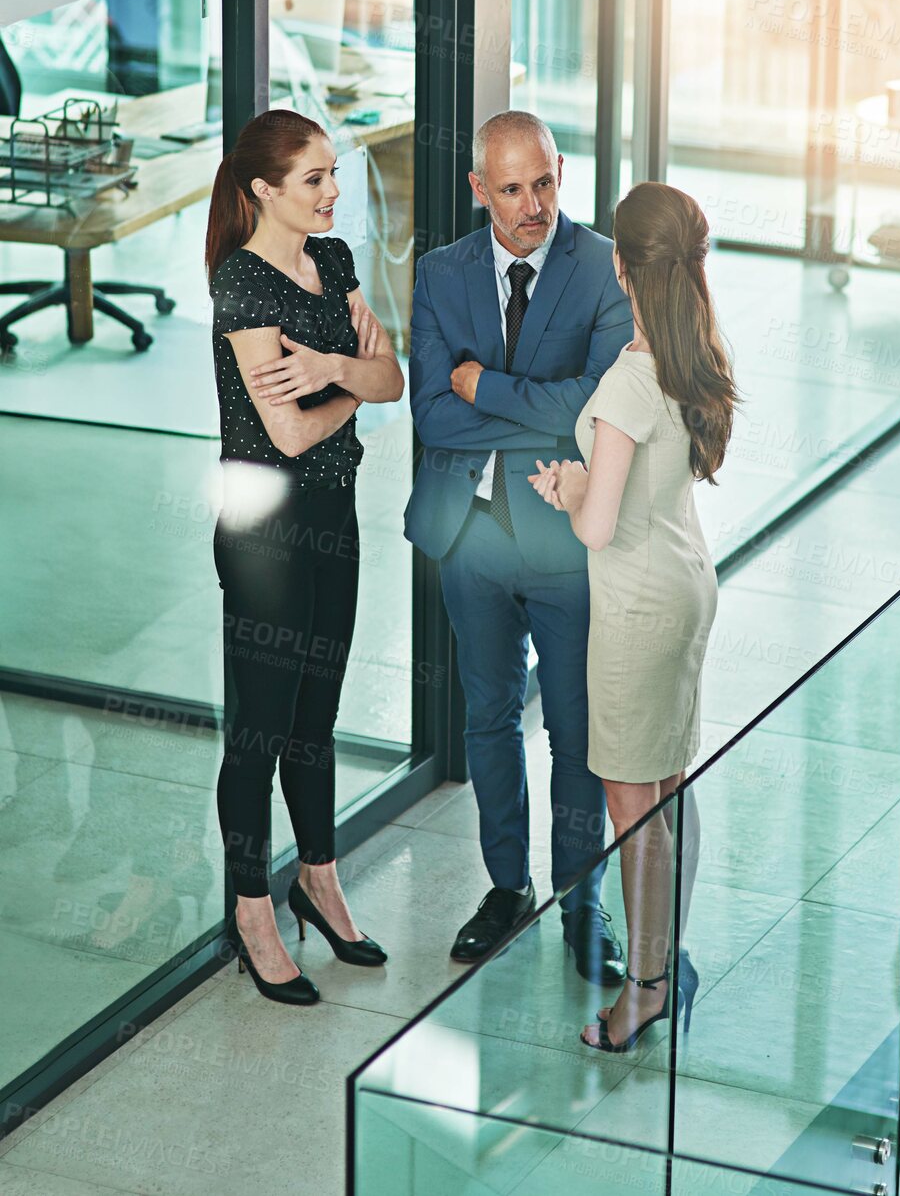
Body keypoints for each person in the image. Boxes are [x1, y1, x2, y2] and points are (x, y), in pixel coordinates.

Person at [404, 110, 632, 982]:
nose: (533, 204)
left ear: (559, 169)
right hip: (471, 535)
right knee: (488, 719)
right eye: (511, 189)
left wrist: (485, 385)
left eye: (544, 182)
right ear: (478, 189)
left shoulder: (602, 267)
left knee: (574, 733)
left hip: (566, 537)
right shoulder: (439, 273)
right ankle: (507, 889)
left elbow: (597, 406)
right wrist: (528, 400)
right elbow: (430, 412)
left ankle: (583, 905)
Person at [529, 181, 737, 1052]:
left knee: (633, 806)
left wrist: (570, 488)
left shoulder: (626, 381)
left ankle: (644, 990)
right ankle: (664, 957)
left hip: (638, 606)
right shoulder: (692, 352)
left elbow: (598, 525)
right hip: (687, 581)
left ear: (620, 265)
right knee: (669, 788)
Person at [205, 109, 404, 1004]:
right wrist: (347, 383)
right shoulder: (241, 286)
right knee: (260, 725)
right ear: (263, 191)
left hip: (334, 510)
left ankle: (317, 881)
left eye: (333, 173)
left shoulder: (333, 263)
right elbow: (282, 434)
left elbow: (391, 375)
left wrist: (332, 371)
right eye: (315, 179)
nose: (334, 191)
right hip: (265, 529)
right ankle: (252, 910)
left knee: (315, 714)